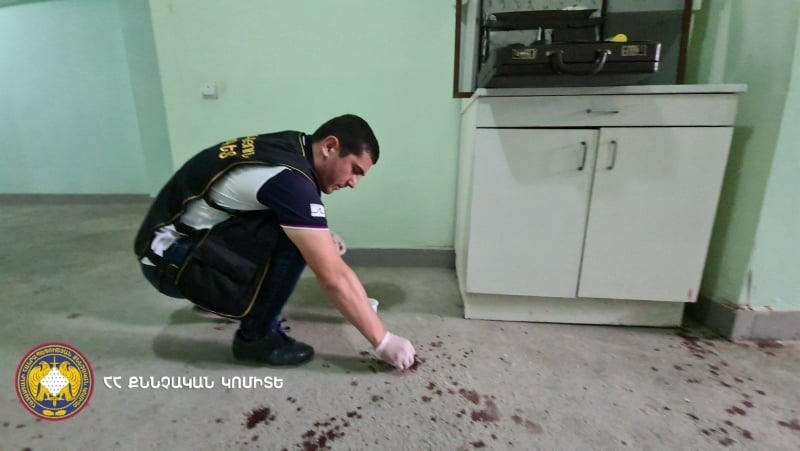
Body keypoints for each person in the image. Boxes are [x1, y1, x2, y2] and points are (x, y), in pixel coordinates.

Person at [133, 114, 416, 370]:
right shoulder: (290, 182)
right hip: (168, 264)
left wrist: (319, 233)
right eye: (355, 169)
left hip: (166, 242)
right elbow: (333, 277)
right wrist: (383, 340)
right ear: (330, 147)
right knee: (294, 242)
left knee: (300, 230)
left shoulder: (291, 146)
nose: (354, 182)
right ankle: (257, 338)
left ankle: (219, 295)